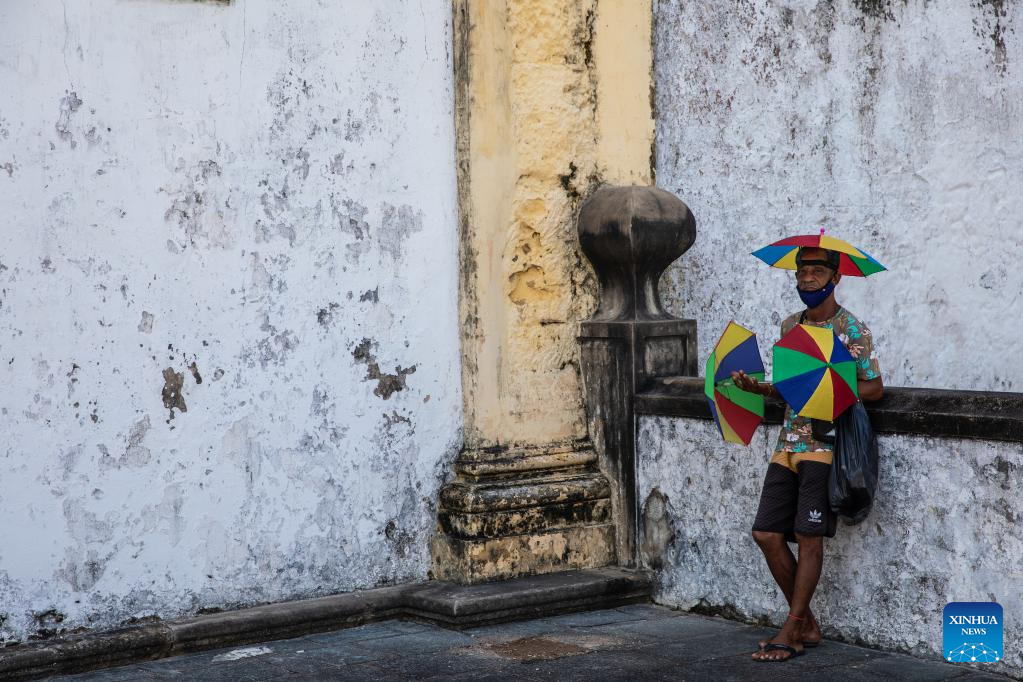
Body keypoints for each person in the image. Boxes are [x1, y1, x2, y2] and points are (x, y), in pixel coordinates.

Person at [731, 246, 883, 662]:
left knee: (808, 537)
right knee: (765, 533)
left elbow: (875, 387)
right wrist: (758, 388)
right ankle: (806, 622)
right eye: (802, 272)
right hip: (787, 444)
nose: (807, 279)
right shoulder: (790, 327)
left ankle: (791, 628)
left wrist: (837, 383)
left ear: (836, 278)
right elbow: (790, 386)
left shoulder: (851, 329)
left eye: (817, 272)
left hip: (825, 445)